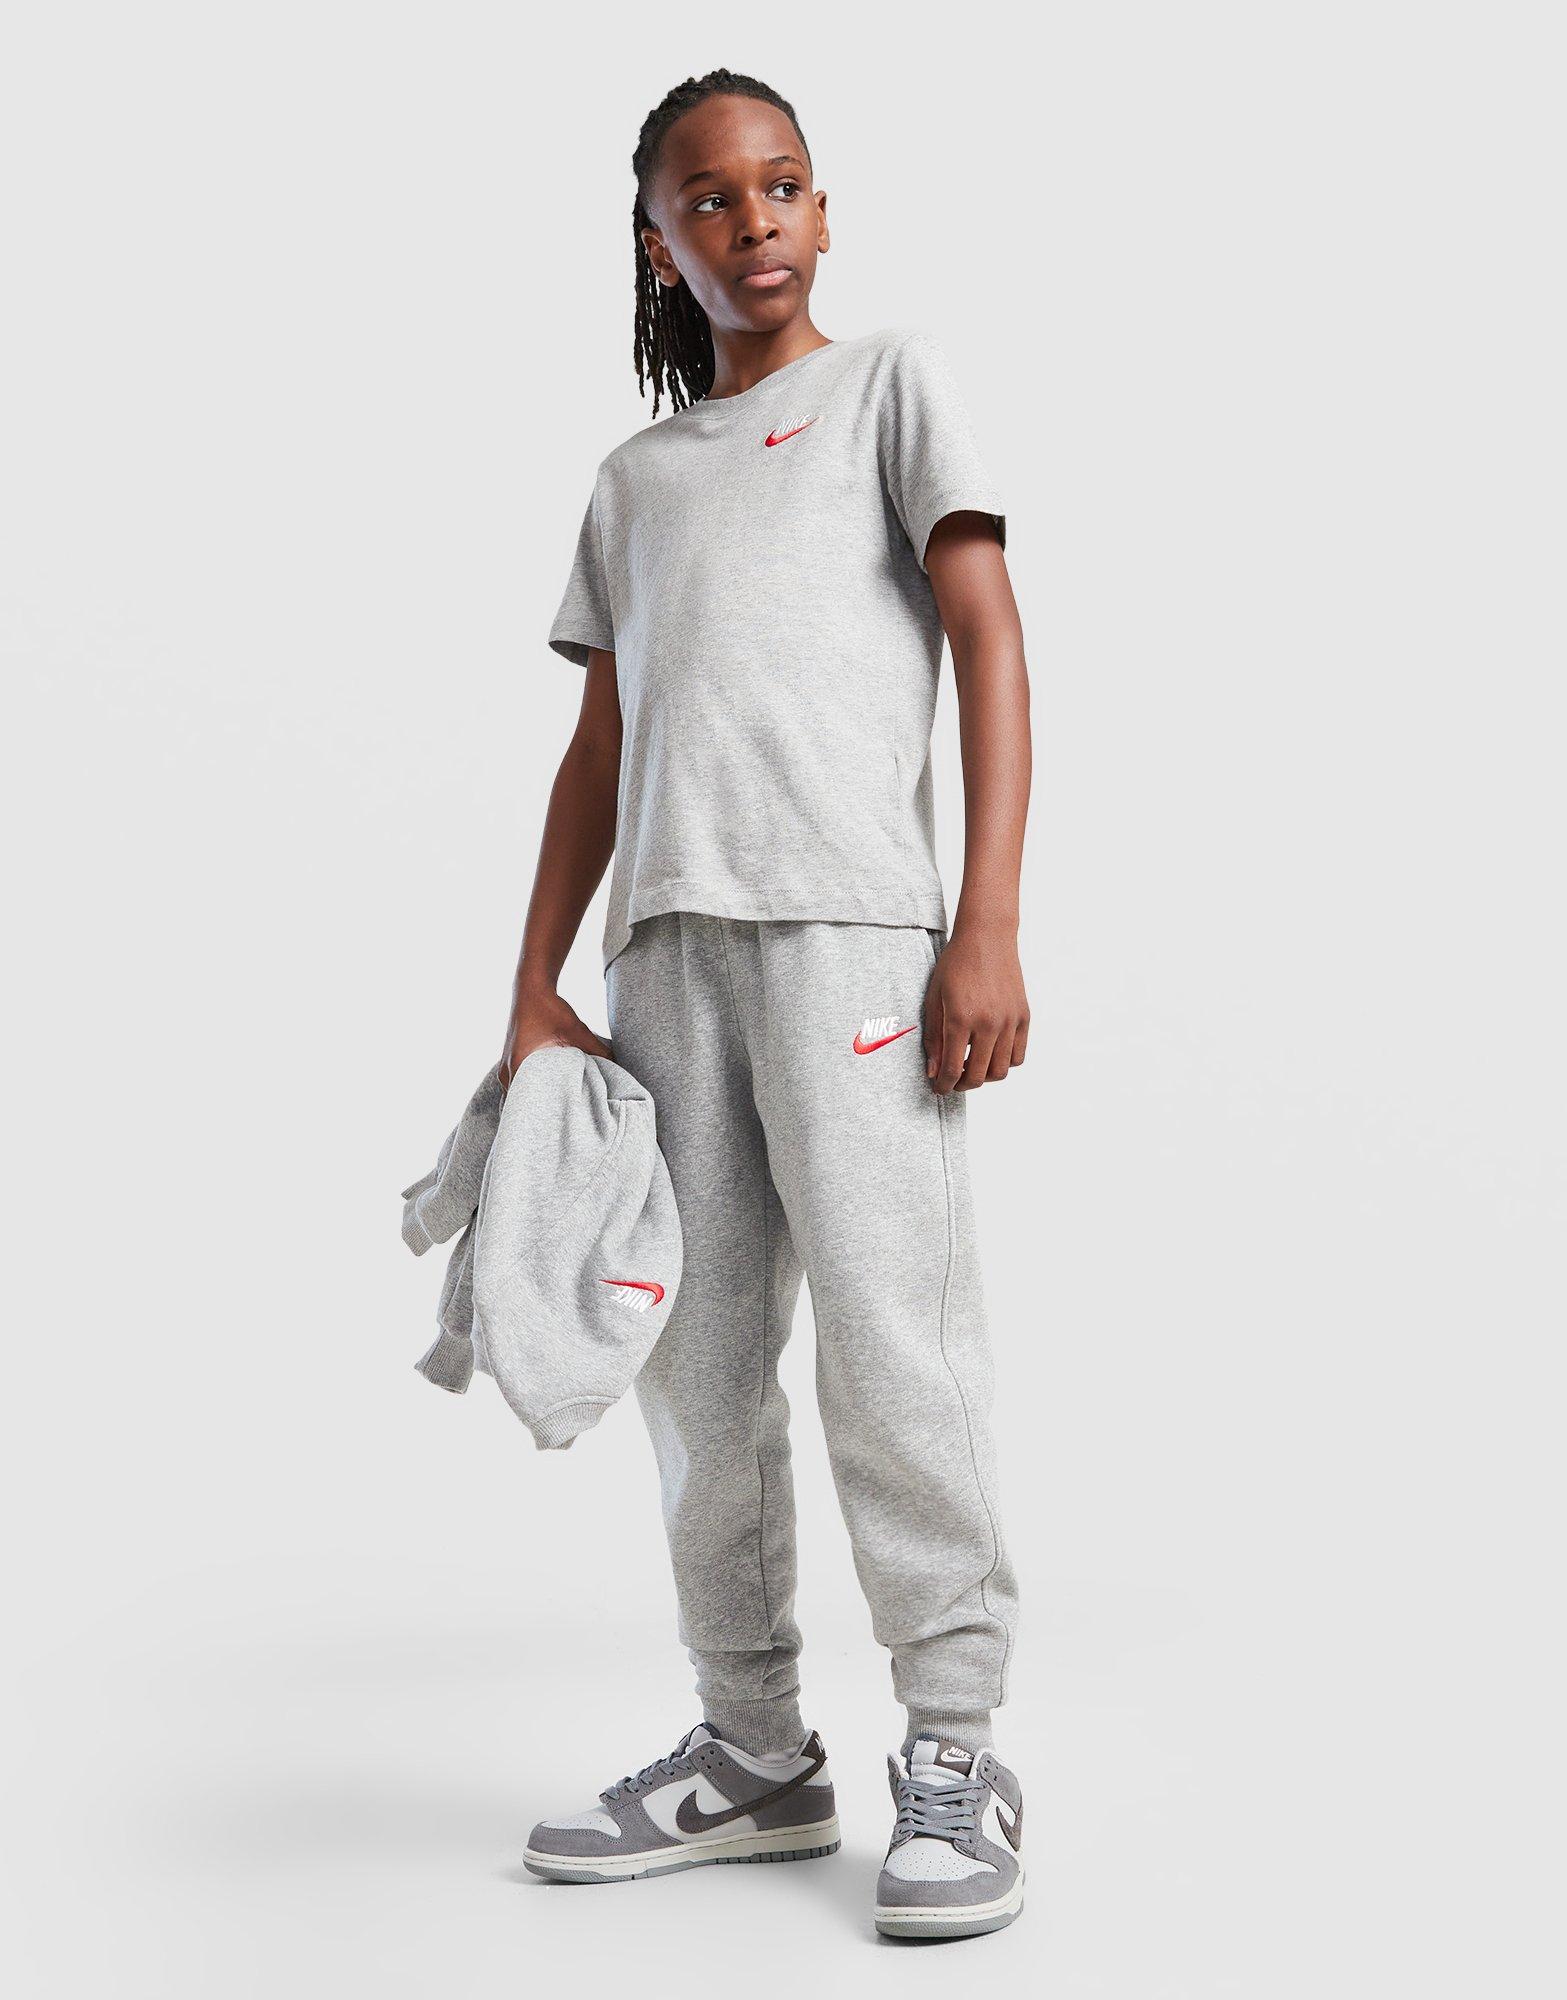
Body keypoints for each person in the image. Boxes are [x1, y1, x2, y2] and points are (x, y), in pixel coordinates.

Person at [506, 70, 1032, 1940]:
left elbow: (988, 637)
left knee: (893, 1344)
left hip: (854, 940)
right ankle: (753, 1750)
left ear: (824, 207)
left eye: (783, 186)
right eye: (712, 201)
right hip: (665, 961)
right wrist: (533, 987)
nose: (755, 223)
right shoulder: (633, 484)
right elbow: (601, 748)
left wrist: (985, 921)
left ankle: (955, 1746)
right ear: (659, 243)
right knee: (700, 1370)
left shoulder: (889, 389)